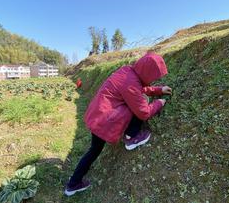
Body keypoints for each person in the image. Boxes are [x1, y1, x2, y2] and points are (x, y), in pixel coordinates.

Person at [64, 51, 172, 196]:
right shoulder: (131, 82)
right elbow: (143, 112)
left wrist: (158, 89)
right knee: (142, 103)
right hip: (104, 120)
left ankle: (73, 183)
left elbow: (136, 88)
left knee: (93, 150)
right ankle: (131, 137)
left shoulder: (127, 72)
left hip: (98, 114)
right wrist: (159, 102)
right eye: (154, 76)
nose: (154, 79)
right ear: (147, 73)